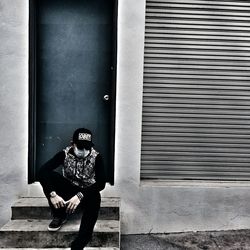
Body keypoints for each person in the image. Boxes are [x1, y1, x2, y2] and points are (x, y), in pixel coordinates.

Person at [38, 128, 106, 250]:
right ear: (72, 144)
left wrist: (80, 196)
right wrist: (52, 194)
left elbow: (101, 184)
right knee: (51, 176)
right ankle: (59, 215)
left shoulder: (96, 157)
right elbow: (42, 172)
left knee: (96, 196)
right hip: (68, 190)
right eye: (80, 147)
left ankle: (79, 244)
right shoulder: (64, 154)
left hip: (86, 193)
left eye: (87, 147)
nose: (84, 151)